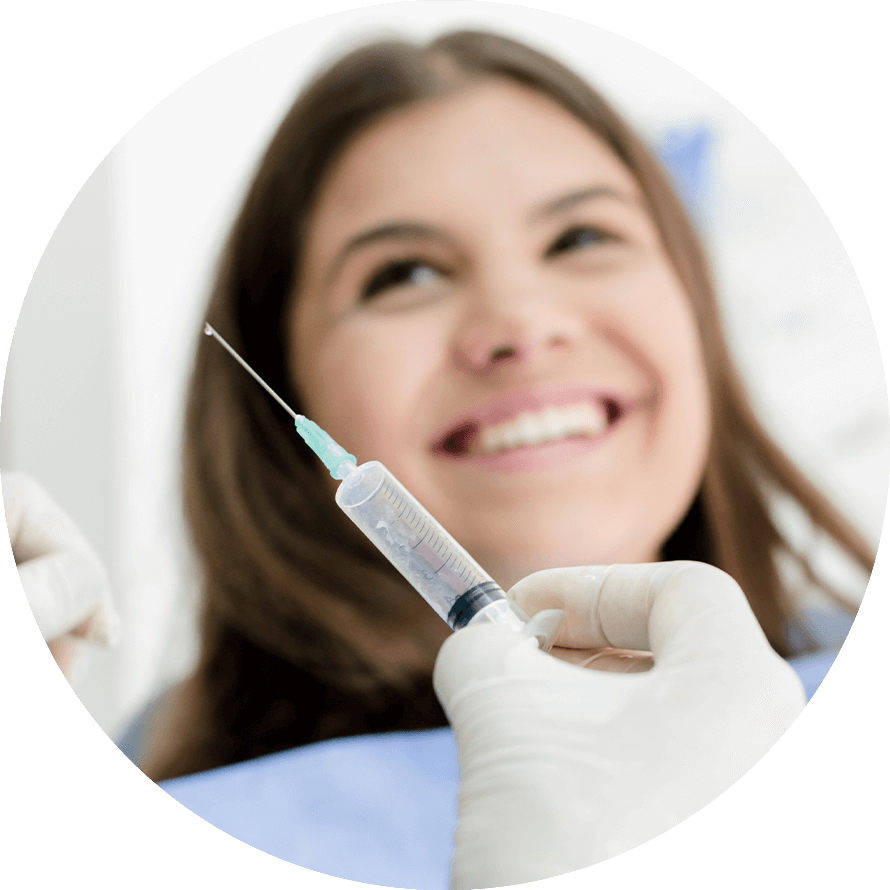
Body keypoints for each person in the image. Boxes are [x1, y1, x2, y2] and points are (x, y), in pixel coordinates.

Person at [9, 29, 872, 883]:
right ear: (286, 401)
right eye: (406, 274)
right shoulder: (191, 781)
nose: (521, 326)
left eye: (581, 239)